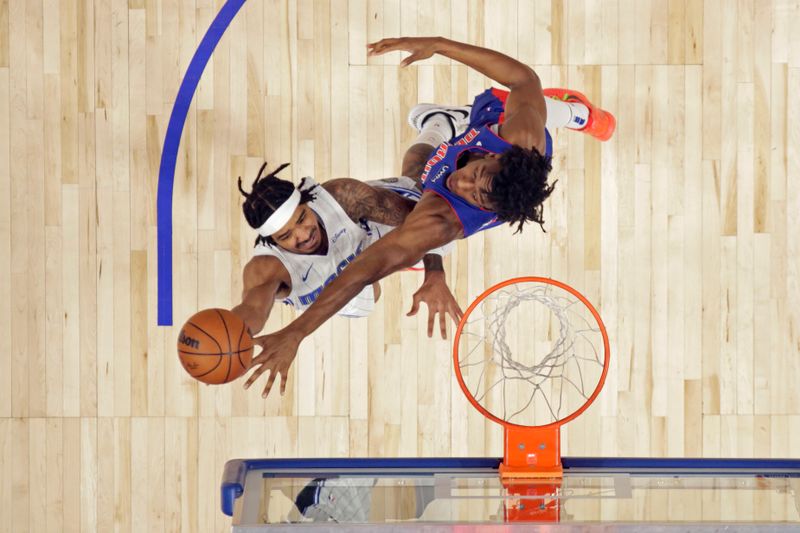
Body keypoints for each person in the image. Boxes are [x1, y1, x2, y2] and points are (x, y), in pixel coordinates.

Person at [245, 36, 617, 398]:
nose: (464, 182)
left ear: (486, 209)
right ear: (495, 155)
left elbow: (362, 272)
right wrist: (438, 44)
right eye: (477, 175)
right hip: (496, 130)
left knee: (420, 178)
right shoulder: (519, 136)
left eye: (477, 196)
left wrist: (297, 332)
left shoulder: (442, 219)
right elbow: (523, 79)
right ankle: (555, 114)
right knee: (526, 102)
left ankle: (551, 114)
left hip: (441, 205)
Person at [230, 161, 461, 354]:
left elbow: (423, 220)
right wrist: (228, 338)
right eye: (286, 236)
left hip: (368, 230)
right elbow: (252, 310)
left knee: (427, 193)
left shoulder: (344, 198)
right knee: (373, 293)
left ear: (306, 202)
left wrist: (435, 274)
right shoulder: (267, 269)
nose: (303, 235)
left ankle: (436, 123)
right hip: (343, 295)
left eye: (302, 218)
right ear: (272, 240)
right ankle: (395, 260)